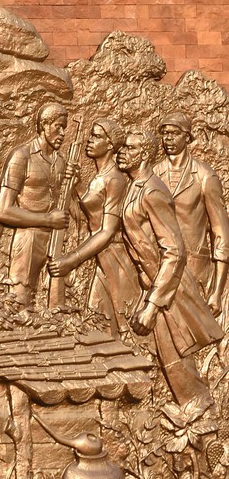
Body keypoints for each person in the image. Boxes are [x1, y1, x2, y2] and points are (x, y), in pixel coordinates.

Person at [50, 128, 223, 413]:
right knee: (164, 356)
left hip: (167, 289)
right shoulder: (135, 186)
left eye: (129, 148)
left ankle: (201, 419)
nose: (122, 152)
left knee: (177, 360)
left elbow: (175, 251)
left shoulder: (153, 192)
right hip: (149, 283)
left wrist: (153, 306)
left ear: (143, 155)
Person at [54, 116, 138, 330]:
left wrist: (71, 260)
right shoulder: (99, 177)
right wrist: (77, 185)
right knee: (98, 318)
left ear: (110, 144)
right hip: (99, 254)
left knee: (119, 322)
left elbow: (107, 230)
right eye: (90, 135)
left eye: (96, 136)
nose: (90, 140)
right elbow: (90, 212)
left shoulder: (116, 180)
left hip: (115, 257)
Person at [154, 112, 229, 317]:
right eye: (165, 133)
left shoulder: (205, 176)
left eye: (174, 133)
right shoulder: (153, 174)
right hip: (158, 266)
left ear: (187, 137)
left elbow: (221, 232)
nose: (168, 139)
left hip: (194, 269)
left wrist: (217, 291)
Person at [0, 100, 72, 305]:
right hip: (28, 237)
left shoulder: (61, 161)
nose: (63, 133)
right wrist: (47, 219)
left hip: (56, 239)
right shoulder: (21, 157)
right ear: (44, 125)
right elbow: (4, 211)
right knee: (20, 301)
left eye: (64, 127)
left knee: (53, 308)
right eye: (58, 126)